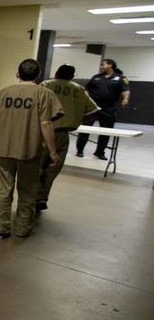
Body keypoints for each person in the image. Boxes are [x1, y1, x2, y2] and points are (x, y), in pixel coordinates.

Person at [0, 59, 63, 239]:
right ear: (38, 75)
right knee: (28, 189)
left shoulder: (5, 93)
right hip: (30, 149)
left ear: (17, 73)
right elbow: (46, 124)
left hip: (4, 149)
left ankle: (0, 228)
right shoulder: (44, 94)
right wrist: (52, 151)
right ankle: (22, 228)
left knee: (3, 188)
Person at [38, 65, 99, 214]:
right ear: (72, 76)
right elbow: (93, 111)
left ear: (57, 72)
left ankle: (35, 196)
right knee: (53, 169)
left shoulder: (46, 85)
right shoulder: (79, 89)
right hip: (63, 134)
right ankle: (42, 198)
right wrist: (77, 118)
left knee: (37, 167)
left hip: (43, 132)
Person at [76, 58, 130, 160]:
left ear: (110, 65)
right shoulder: (96, 77)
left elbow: (125, 90)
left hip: (108, 108)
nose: (101, 67)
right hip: (92, 107)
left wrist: (126, 99)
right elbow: (86, 90)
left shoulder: (122, 78)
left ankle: (99, 152)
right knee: (85, 129)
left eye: (102, 65)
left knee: (106, 131)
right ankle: (80, 150)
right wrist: (86, 101)